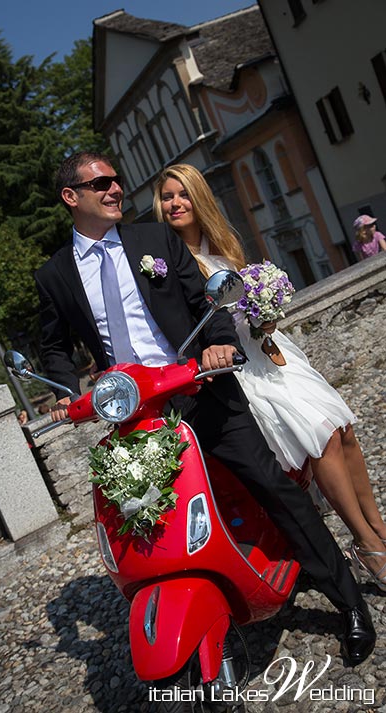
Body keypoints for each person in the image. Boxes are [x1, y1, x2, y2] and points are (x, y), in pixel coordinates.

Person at [35, 151, 375, 665]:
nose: (115, 190)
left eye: (117, 181)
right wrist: (64, 390)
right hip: (135, 417)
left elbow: (204, 306)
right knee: (146, 515)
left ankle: (348, 601)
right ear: (71, 197)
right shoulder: (55, 274)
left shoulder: (154, 240)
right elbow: (54, 346)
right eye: (100, 183)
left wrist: (217, 345)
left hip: (201, 388)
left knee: (273, 487)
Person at [153, 163, 386, 593]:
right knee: (321, 438)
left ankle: (380, 531)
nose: (174, 204)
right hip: (238, 371)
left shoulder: (222, 244)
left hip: (271, 354)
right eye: (167, 197)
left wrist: (265, 311)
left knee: (344, 429)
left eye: (182, 194)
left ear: (198, 198)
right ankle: (366, 543)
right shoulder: (166, 264)